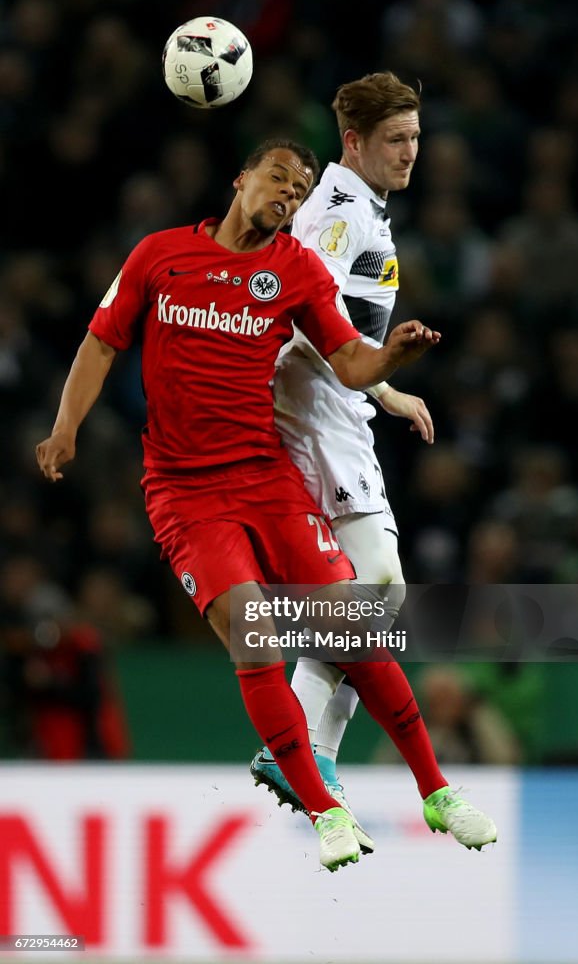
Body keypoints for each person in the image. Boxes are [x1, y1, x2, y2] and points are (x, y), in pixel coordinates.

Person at [36, 137, 495, 871]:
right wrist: (65, 429)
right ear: (240, 179)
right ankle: (323, 808)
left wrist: (394, 358)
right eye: (278, 179)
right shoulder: (158, 255)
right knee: (255, 634)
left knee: (349, 625)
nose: (289, 193)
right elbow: (99, 342)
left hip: (265, 477)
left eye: (300, 187)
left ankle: (436, 790)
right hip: (187, 494)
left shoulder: (295, 268)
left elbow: (349, 361)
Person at [250, 73, 442, 851]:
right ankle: (302, 750)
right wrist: (373, 383)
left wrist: (386, 391)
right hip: (317, 416)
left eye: (417, 138)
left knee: (375, 594)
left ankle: (304, 751)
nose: (410, 152)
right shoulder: (336, 212)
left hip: (342, 408)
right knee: (371, 593)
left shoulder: (361, 207)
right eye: (396, 140)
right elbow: (305, 310)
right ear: (354, 142)